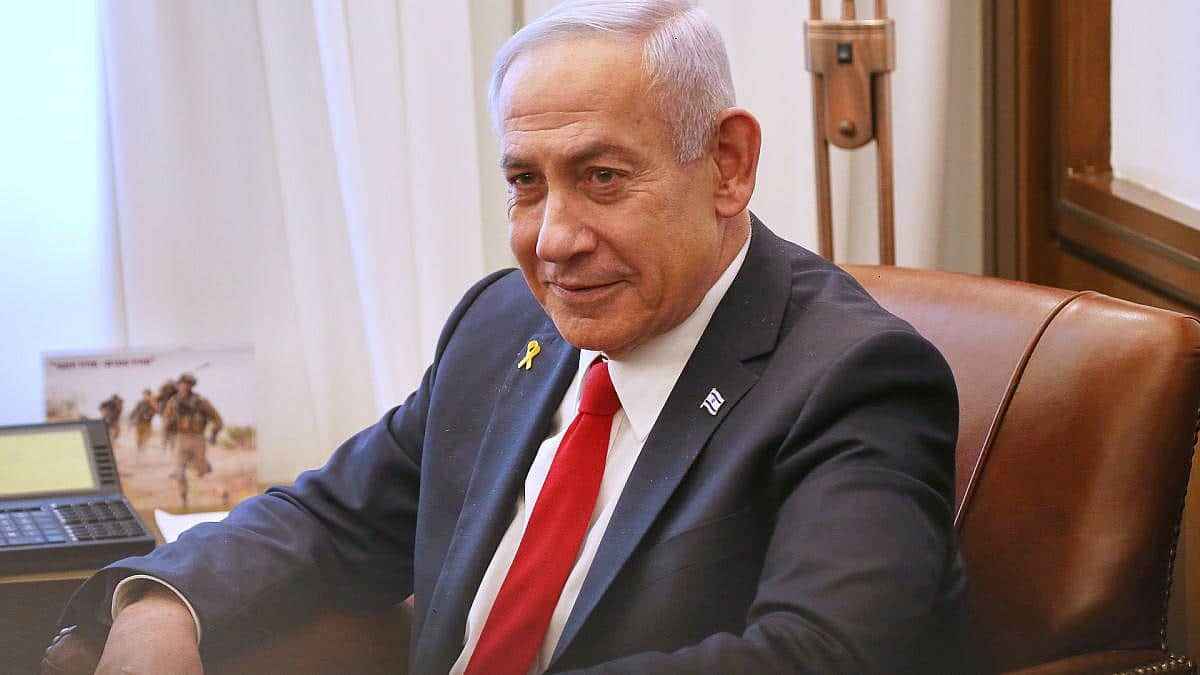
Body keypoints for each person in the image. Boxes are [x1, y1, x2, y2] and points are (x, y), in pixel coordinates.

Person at [53, 1, 965, 673]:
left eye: (602, 177)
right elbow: (333, 518)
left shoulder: (855, 377)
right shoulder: (505, 324)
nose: (554, 240)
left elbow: (822, 654)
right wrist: (160, 603)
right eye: (526, 182)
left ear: (727, 165)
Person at [160, 372, 223, 506]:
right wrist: (166, 438)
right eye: (183, 384)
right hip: (180, 439)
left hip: (197, 439)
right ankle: (183, 498)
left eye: (188, 384)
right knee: (179, 471)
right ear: (179, 385)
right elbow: (166, 421)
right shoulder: (173, 402)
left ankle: (207, 471)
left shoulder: (201, 402)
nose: (185, 386)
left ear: (192, 385)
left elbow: (218, 420)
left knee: (200, 472)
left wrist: (213, 434)